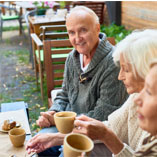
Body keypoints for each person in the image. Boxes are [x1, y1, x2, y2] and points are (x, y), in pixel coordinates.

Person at [26, 6, 128, 156]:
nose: (77, 38)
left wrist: (59, 122)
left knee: (64, 152)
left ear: (97, 28)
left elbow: (102, 117)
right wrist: (54, 112)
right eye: (71, 32)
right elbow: (64, 94)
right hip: (69, 125)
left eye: (83, 30)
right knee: (37, 146)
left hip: (98, 136)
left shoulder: (112, 63)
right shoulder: (71, 58)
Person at [72, 29, 157, 157]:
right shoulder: (136, 96)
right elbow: (113, 126)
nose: (120, 76)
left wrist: (107, 136)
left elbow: (108, 129)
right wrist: (56, 137)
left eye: (126, 69)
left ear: (146, 71)